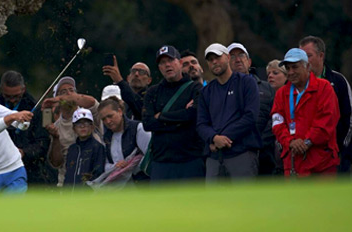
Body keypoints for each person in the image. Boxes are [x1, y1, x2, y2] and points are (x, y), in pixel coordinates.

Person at [271, 48, 340, 177]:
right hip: (292, 162)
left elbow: (327, 120)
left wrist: (307, 141)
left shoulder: (324, 87)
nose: (291, 72)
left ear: (307, 66)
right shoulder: (281, 93)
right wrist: (290, 142)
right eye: (288, 68)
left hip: (321, 161)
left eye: (295, 67)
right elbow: (277, 122)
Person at [197, 43, 261, 180]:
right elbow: (201, 124)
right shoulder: (206, 91)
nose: (214, 62)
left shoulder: (246, 83)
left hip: (241, 153)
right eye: (210, 60)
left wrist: (222, 138)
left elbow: (250, 116)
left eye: (218, 57)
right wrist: (214, 138)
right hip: (214, 157)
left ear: (227, 58)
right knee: (214, 201)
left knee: (243, 200)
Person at [142, 45, 205, 181]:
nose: (167, 65)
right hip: (161, 162)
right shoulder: (152, 92)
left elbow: (193, 116)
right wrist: (181, 118)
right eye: (162, 63)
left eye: (171, 60)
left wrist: (161, 117)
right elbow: (148, 123)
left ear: (180, 63)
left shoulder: (195, 88)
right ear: (159, 68)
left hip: (191, 159)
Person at [299, 36, 352, 174]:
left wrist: (341, 149)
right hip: (304, 156)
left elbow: (349, 120)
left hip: (335, 156)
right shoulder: (294, 86)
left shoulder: (338, 81)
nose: (304, 61)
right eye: (301, 57)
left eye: (308, 56)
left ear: (321, 56)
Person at [0, 70, 57, 186]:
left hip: (30, 171)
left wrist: (24, 152)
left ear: (23, 89)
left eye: (16, 96)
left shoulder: (37, 110)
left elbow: (43, 143)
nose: (12, 100)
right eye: (7, 96)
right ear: (1, 90)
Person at [43, 76, 103, 186]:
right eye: (63, 92)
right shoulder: (55, 127)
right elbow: (56, 163)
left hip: (95, 185)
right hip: (67, 185)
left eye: (72, 90)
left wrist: (61, 98)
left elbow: (91, 101)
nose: (69, 94)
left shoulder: (90, 114)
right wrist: (55, 138)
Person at [227, 42, 276, 176]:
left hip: (265, 155)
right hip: (233, 154)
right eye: (232, 56)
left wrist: (257, 141)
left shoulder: (268, 89)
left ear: (249, 61)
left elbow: (275, 118)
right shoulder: (220, 90)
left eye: (241, 55)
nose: (237, 60)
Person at [97, 97, 151, 183]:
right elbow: (105, 164)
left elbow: (151, 155)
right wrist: (115, 166)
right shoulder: (106, 137)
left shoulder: (138, 128)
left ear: (120, 111)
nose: (107, 121)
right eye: (103, 119)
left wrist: (131, 165)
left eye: (110, 116)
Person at [51, 108, 105, 189]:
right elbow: (68, 173)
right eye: (79, 124)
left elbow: (98, 173)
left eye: (86, 123)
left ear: (92, 127)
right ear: (74, 128)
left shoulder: (98, 147)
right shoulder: (72, 149)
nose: (83, 126)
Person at [266, 60, 288, 174]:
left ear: (286, 76)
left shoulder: (291, 98)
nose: (270, 76)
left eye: (275, 73)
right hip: (269, 155)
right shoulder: (264, 98)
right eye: (268, 74)